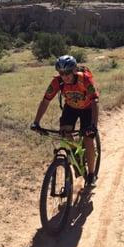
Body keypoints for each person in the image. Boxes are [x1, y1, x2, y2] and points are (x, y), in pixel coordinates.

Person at [31, 55, 99, 187]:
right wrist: (36, 122)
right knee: (65, 134)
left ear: (74, 70)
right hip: (71, 107)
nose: (65, 76)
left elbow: (95, 101)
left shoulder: (85, 79)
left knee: (88, 138)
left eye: (68, 72)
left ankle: (91, 175)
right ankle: (76, 156)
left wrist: (93, 126)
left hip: (87, 108)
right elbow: (45, 101)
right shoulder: (57, 82)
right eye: (61, 73)